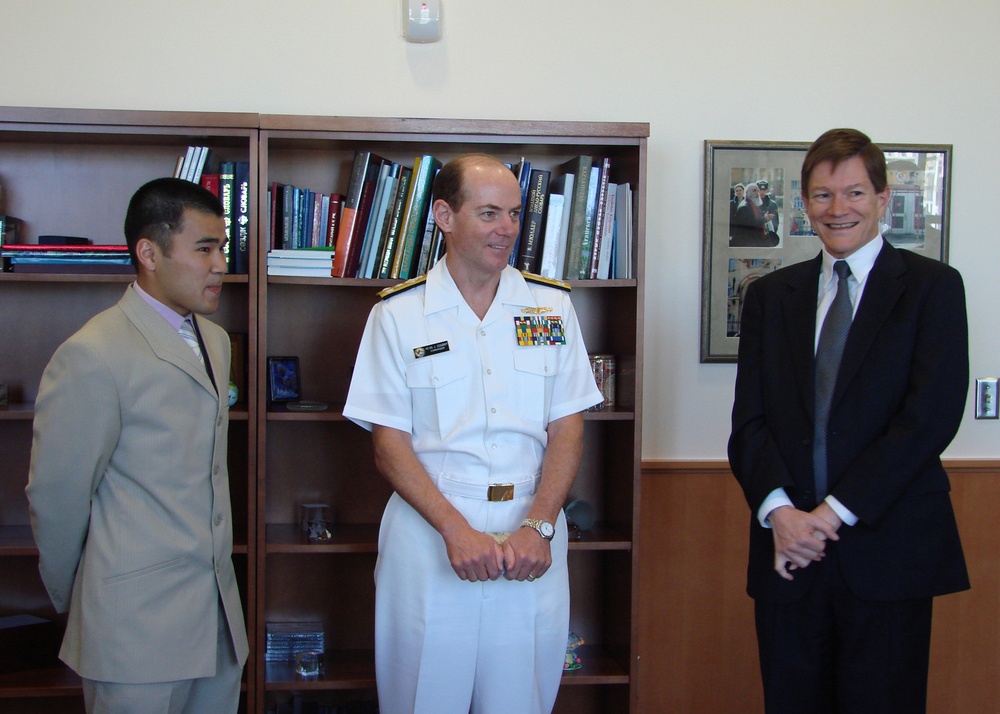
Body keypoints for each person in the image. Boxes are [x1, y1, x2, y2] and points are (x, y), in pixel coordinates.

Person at [343, 153, 603, 713]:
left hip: (530, 537)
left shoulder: (551, 307)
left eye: (513, 213)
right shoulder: (397, 314)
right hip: (432, 535)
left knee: (521, 701)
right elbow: (388, 445)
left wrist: (541, 525)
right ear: (443, 214)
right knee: (423, 700)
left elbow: (568, 427)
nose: (506, 228)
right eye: (489, 213)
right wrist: (455, 529)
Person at [728, 128, 969, 713]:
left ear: (883, 200)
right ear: (805, 203)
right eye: (822, 196)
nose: (838, 210)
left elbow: (929, 419)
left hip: (888, 552)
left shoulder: (933, 288)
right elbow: (749, 426)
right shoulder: (769, 296)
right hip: (788, 553)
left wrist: (827, 517)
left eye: (854, 193)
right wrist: (781, 514)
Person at [26, 177, 249, 713]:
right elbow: (56, 496)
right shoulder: (93, 353)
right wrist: (81, 599)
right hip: (132, 630)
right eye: (204, 248)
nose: (220, 263)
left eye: (221, 247)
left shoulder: (215, 341)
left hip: (217, 622)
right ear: (148, 253)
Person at [731, 181, 778, 247]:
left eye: (758, 191)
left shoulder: (754, 204)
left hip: (755, 241)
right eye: (754, 191)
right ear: (747, 193)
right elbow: (750, 224)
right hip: (747, 243)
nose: (757, 193)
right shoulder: (745, 207)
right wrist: (764, 219)